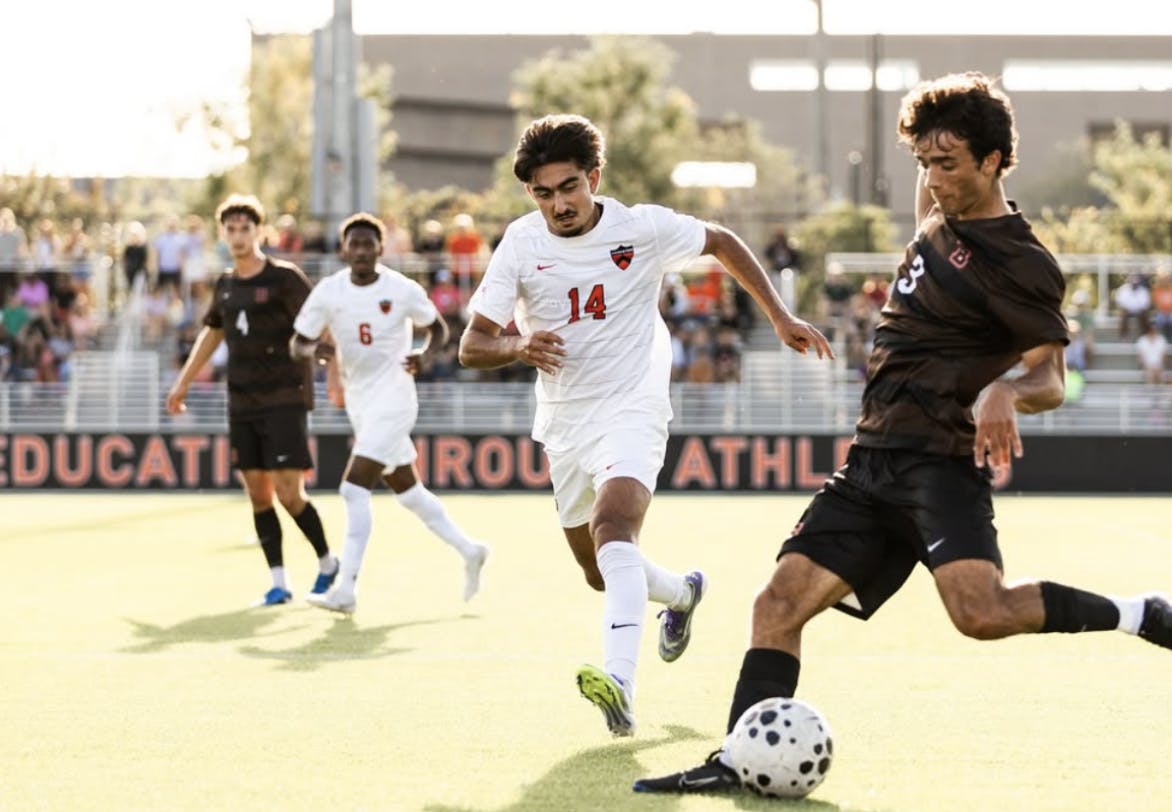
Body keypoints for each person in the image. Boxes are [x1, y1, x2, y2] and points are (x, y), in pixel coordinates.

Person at [633, 72, 1172, 794]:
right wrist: (931, 122)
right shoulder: (933, 213)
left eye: (947, 163)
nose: (932, 179)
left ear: (993, 161)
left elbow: (1047, 377)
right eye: (922, 163)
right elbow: (930, 149)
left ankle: (1140, 614)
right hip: (871, 460)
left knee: (981, 614)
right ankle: (738, 758)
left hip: (941, 467)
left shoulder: (1024, 263)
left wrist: (1004, 390)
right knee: (777, 602)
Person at [458, 113, 832, 737]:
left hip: (634, 402)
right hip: (565, 420)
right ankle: (682, 595)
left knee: (614, 526)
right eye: (545, 193)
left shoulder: (643, 228)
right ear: (531, 194)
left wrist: (778, 315)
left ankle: (621, 687)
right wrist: (518, 346)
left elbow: (720, 241)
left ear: (594, 178)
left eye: (570, 187)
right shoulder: (522, 244)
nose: (559, 204)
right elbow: (473, 345)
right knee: (598, 569)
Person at [289, 212, 489, 615]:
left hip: (396, 398)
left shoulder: (401, 289)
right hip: (361, 402)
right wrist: (315, 351)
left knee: (353, 488)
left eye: (369, 243)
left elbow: (438, 329)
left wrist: (426, 355)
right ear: (344, 249)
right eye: (354, 244)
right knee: (410, 493)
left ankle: (345, 588)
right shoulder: (329, 292)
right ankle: (471, 550)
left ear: (381, 249)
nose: (361, 250)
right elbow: (297, 344)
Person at [165, 194, 338, 607]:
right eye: (231, 229)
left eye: (246, 228)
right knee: (258, 495)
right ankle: (278, 581)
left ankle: (328, 563)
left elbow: (320, 324)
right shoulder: (225, 285)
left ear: (260, 232)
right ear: (222, 234)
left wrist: (332, 365)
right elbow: (212, 333)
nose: (238, 236)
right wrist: (183, 383)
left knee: (288, 493)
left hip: (284, 398)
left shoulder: (285, 279)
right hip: (241, 401)